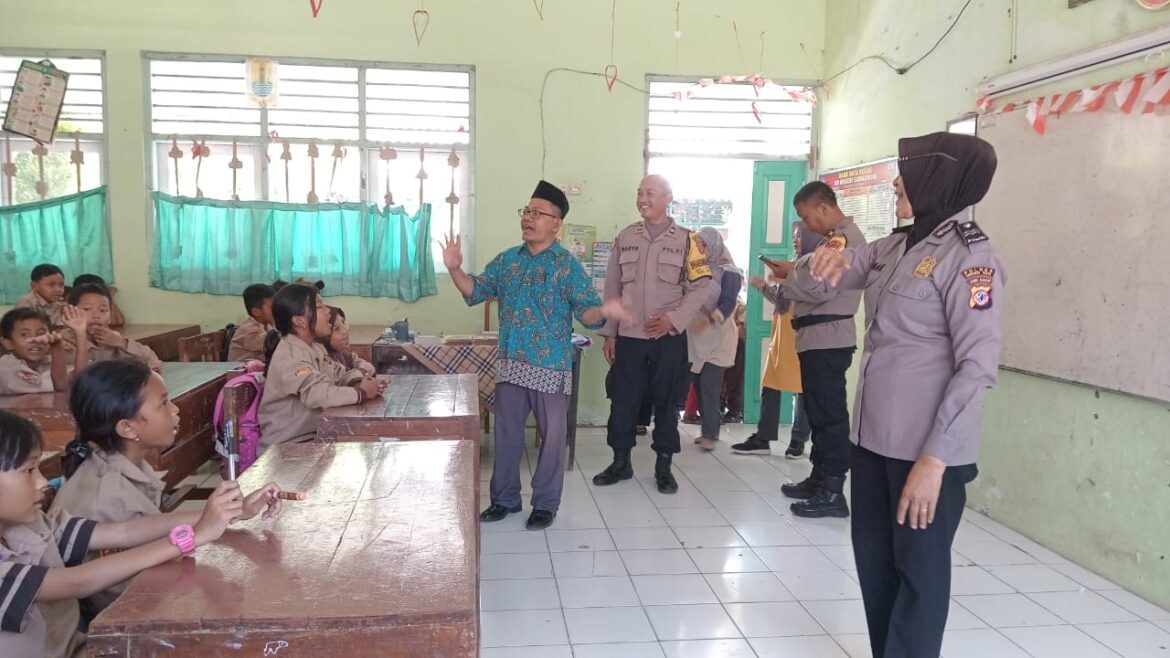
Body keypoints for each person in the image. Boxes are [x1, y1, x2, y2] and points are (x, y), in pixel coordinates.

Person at [796, 132, 1003, 658]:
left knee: (919, 574)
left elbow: (976, 366)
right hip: (873, 443)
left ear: (938, 181)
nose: (896, 182)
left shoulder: (971, 259)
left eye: (907, 173)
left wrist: (935, 462)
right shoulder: (894, 246)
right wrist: (826, 259)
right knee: (875, 563)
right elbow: (832, 275)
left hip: (925, 453)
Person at [0, 410, 281, 657]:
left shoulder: (34, 524)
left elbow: (124, 532)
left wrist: (233, 511)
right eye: (28, 470)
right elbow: (77, 582)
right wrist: (194, 536)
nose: (42, 482)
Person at [442, 180, 627, 530]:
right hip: (511, 366)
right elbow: (475, 291)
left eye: (537, 213)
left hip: (550, 368)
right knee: (507, 437)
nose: (528, 218)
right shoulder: (508, 261)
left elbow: (587, 313)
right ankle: (505, 499)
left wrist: (607, 309)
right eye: (526, 212)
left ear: (556, 224)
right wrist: (454, 269)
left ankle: (544, 503)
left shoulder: (567, 266)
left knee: (552, 440)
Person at [51, 358, 283, 619]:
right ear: (127, 428)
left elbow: (147, 531)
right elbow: (127, 597)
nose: (175, 410)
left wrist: (236, 511)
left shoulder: (120, 463)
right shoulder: (109, 494)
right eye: (163, 404)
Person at [594, 175, 711, 494]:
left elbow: (700, 287)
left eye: (650, 193)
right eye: (639, 193)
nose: (642, 199)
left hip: (668, 339)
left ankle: (663, 466)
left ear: (667, 198)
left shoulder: (690, 241)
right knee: (622, 401)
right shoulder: (625, 237)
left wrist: (673, 320)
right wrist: (610, 333)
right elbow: (612, 288)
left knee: (667, 403)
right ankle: (620, 462)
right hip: (630, 337)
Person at [762, 182, 867, 519]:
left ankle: (834, 491)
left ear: (823, 207)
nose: (806, 225)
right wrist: (795, 270)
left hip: (828, 337)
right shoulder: (831, 239)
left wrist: (787, 279)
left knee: (830, 417)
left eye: (807, 217)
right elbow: (811, 277)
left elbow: (818, 287)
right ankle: (819, 478)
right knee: (820, 416)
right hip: (817, 337)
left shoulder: (844, 240)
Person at [257, 284, 385, 452]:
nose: (327, 311)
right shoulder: (290, 355)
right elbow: (317, 394)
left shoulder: (314, 347)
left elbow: (339, 374)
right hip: (287, 448)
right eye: (319, 306)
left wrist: (362, 381)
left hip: (315, 436)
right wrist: (361, 393)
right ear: (299, 321)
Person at [732, 221, 818, 457]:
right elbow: (784, 299)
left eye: (800, 235)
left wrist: (787, 279)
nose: (795, 240)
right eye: (794, 236)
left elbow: (811, 297)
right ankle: (763, 437)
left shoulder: (816, 263)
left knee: (803, 387)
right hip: (781, 332)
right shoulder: (793, 262)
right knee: (771, 383)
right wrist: (764, 287)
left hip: (801, 332)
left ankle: (798, 440)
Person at [686, 227, 742, 450]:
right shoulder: (698, 268)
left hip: (718, 336)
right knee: (699, 385)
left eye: (704, 245)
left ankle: (711, 433)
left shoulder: (730, 271)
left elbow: (727, 304)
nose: (701, 249)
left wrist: (707, 320)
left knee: (709, 384)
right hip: (698, 337)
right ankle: (708, 429)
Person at [67, 284, 162, 372]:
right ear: (70, 311)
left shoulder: (112, 338)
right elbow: (79, 378)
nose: (96, 315)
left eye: (103, 310)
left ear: (110, 316)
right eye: (87, 309)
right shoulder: (65, 342)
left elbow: (153, 361)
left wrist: (122, 343)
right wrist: (81, 335)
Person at [0, 307, 89, 395]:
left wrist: (80, 332)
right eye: (25, 335)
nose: (35, 339)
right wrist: (57, 348)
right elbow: (62, 386)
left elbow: (79, 379)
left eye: (41, 333)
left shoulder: (46, 361)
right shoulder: (7, 369)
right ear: (8, 343)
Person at [227, 283, 276, 362]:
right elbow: (275, 345)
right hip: (242, 373)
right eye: (272, 307)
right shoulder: (248, 330)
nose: (277, 310)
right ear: (256, 312)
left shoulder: (267, 325)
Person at [323, 307, 376, 376]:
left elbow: (368, 366)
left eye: (343, 322)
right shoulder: (324, 361)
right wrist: (360, 372)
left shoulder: (342, 354)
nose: (346, 330)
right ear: (323, 337)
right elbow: (344, 378)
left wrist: (360, 371)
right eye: (336, 329)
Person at [15, 263, 66, 330]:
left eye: (61, 285)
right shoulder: (26, 302)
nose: (58, 289)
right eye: (51, 285)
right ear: (34, 286)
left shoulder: (60, 304)